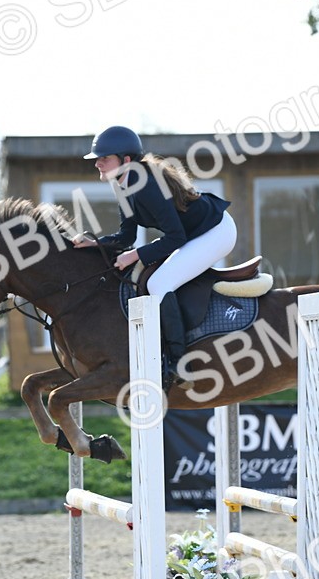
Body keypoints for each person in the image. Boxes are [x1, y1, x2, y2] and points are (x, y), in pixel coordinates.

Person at [74, 126, 236, 391]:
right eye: (97, 158)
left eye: (105, 158)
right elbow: (127, 236)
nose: (98, 163)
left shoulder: (147, 185)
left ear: (126, 160)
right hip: (195, 233)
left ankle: (179, 363)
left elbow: (175, 238)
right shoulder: (124, 184)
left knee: (158, 284)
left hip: (216, 232)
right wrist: (95, 244)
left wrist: (135, 255)